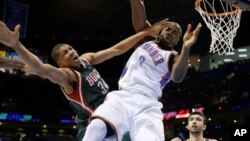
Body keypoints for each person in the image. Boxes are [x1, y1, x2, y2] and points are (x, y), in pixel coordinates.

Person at [0, 19, 170, 141]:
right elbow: (41, 69)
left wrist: (145, 33)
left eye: (70, 48)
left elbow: (117, 49)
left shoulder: (86, 59)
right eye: (65, 53)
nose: (71, 52)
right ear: (60, 63)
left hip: (113, 115)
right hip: (92, 126)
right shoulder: (67, 76)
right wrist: (16, 45)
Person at [81, 0, 203, 140]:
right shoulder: (146, 39)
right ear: (160, 30)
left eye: (175, 33)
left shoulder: (174, 57)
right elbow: (139, 12)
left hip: (148, 104)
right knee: (97, 127)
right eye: (168, 29)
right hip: (123, 97)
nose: (170, 33)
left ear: (177, 42)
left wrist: (186, 47)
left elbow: (177, 77)